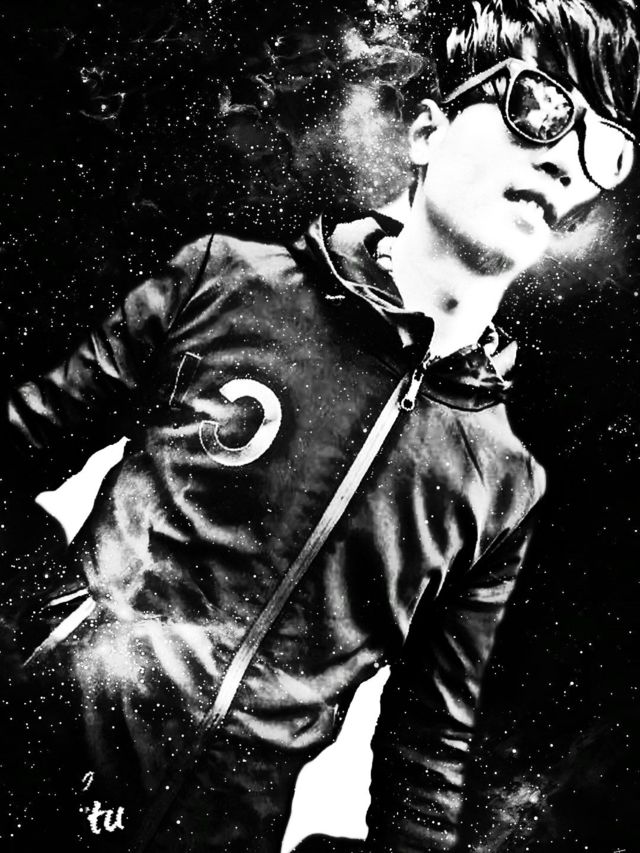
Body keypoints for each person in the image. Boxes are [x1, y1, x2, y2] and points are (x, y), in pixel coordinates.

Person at [1, 1, 638, 851]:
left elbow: (427, 754)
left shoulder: (503, 479)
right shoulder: (225, 282)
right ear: (427, 132)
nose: (563, 160)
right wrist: (46, 639)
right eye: (540, 108)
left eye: (604, 147)